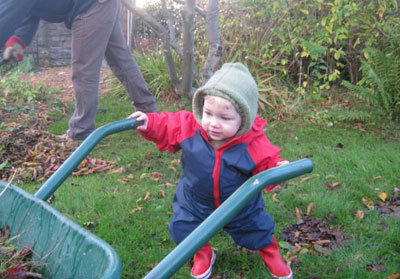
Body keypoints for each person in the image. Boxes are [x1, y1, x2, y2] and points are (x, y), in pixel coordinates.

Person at [129, 63, 293, 279]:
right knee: (183, 226)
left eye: (225, 118)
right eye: (208, 113)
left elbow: (267, 161)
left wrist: (277, 169)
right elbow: (166, 125)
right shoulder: (190, 127)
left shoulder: (251, 141)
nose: (213, 123)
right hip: (195, 200)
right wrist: (148, 122)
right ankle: (201, 252)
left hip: (239, 203)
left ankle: (271, 254)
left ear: (244, 118)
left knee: (257, 228)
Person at [0, 0, 157, 141]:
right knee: (121, 61)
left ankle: (80, 132)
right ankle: (149, 113)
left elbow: (9, 12)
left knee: (84, 70)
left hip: (90, 6)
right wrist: (19, 41)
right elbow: (28, 9)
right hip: (103, 4)